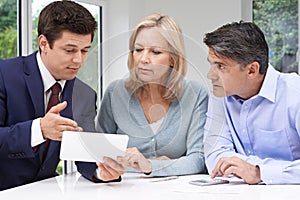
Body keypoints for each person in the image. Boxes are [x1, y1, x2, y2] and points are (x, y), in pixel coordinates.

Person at [0, 1, 119, 191]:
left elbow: (84, 153)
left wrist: (100, 171)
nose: (78, 60)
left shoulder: (86, 94)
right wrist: (38, 129)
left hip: (48, 191)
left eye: (85, 50)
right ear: (44, 43)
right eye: (69, 50)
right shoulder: (4, 75)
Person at [93, 13, 208, 177]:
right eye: (138, 50)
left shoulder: (196, 94)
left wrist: (150, 165)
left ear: (173, 59)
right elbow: (100, 155)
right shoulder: (115, 92)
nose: (143, 59)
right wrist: (167, 165)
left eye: (155, 52)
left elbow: (198, 160)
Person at [203, 21, 300, 185]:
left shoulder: (294, 94)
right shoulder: (220, 93)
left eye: (220, 66)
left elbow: (241, 168)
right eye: (211, 64)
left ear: (252, 70)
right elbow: (214, 157)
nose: (210, 75)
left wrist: (258, 172)